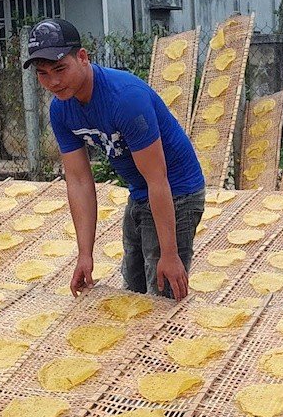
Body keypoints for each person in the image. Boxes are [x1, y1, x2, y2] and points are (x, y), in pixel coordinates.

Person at [24, 17, 206, 299]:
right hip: (139, 192)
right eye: (43, 73)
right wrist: (85, 254)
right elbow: (79, 180)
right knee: (131, 290)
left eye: (60, 68)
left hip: (176, 191)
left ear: (82, 58)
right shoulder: (61, 110)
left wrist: (169, 254)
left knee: (163, 293)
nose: (54, 81)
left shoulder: (125, 99)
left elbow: (158, 178)